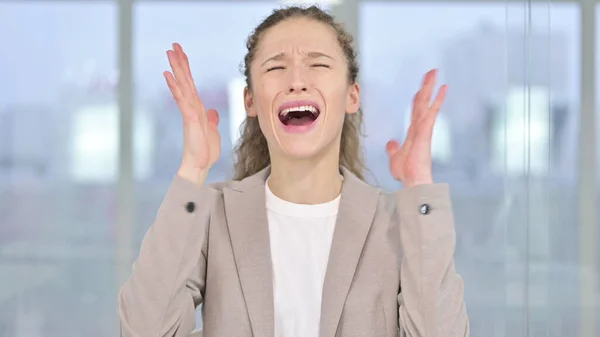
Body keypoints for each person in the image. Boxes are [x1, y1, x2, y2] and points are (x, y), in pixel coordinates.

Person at [118, 5, 469, 337]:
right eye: (275, 67)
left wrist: (419, 185)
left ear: (352, 96)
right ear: (250, 101)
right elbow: (146, 330)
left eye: (318, 64)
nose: (296, 81)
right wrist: (192, 171)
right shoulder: (214, 214)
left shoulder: (394, 222)